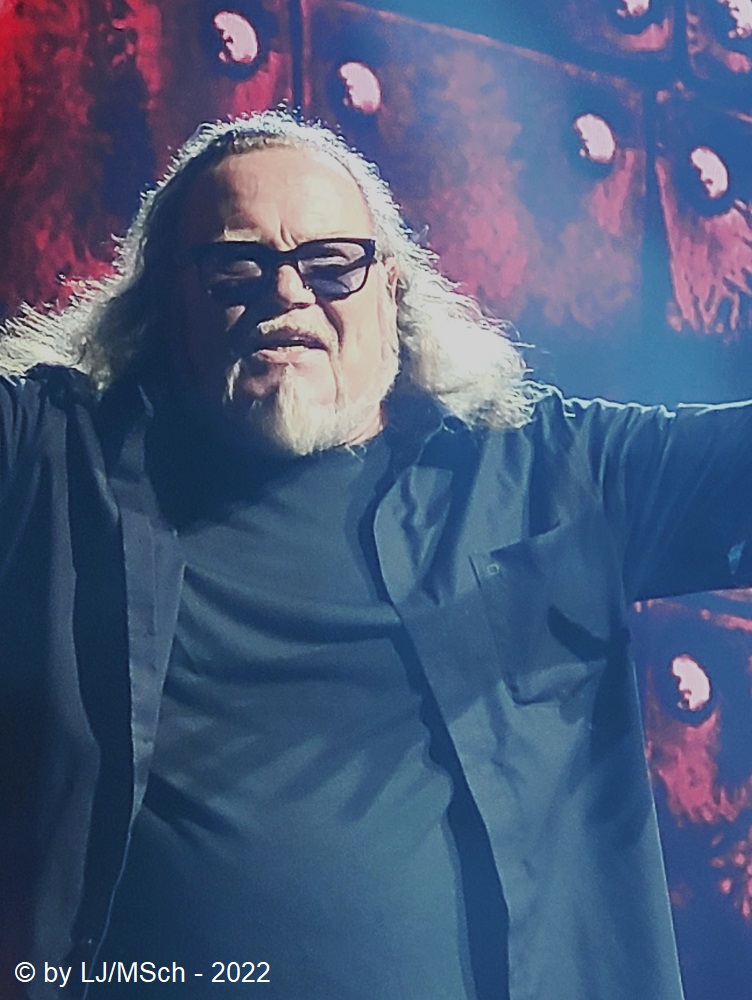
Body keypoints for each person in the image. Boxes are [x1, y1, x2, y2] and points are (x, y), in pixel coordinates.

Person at [2, 110, 751, 1000]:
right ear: (167, 302)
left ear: (391, 288)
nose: (287, 292)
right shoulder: (56, 465)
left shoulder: (547, 473)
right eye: (237, 266)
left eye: (330, 264)